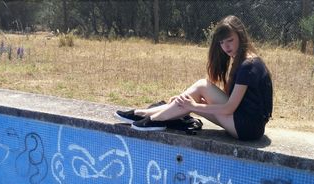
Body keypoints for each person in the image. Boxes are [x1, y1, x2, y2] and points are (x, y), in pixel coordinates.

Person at [115, 15, 273, 141]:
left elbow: (229, 108)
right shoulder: (243, 59)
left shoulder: (248, 65)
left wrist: (193, 106)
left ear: (241, 36)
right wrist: (193, 103)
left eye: (230, 40)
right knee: (201, 86)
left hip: (247, 129)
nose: (226, 47)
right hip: (243, 120)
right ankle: (143, 113)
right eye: (222, 43)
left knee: (198, 92)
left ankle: (155, 118)